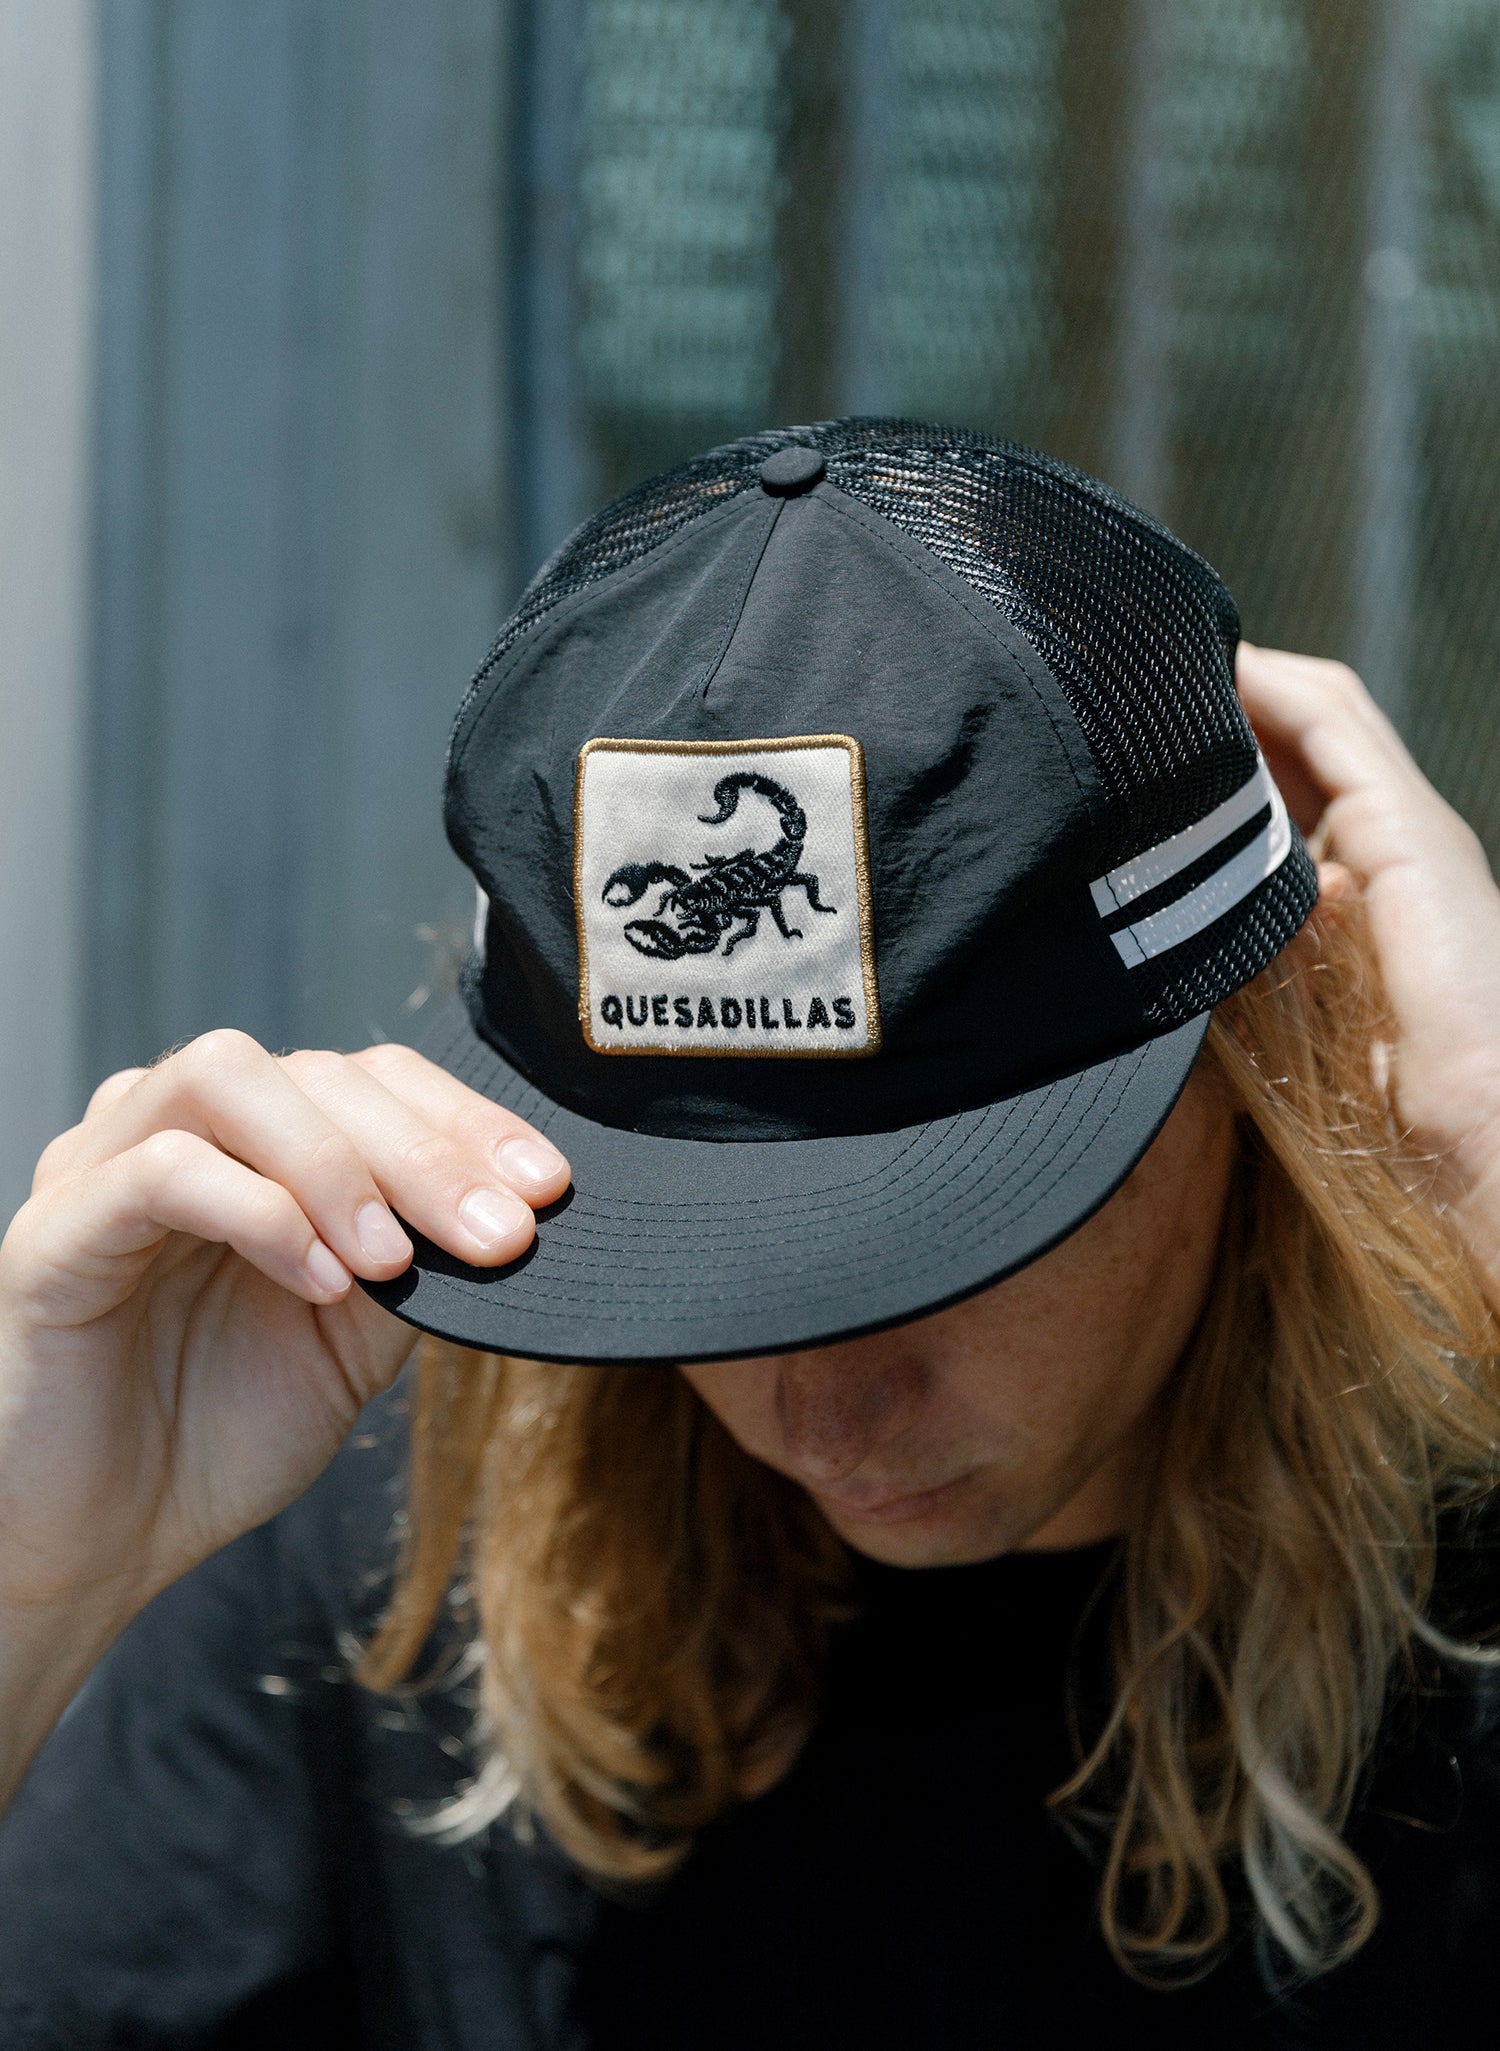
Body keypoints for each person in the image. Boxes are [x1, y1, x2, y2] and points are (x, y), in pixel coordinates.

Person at [2, 421, 1500, 2048]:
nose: (824, 1410)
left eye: (953, 1235)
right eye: (695, 1261)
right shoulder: (377, 1543)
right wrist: (36, 1590)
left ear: (1267, 1031)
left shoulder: (1464, 1585)